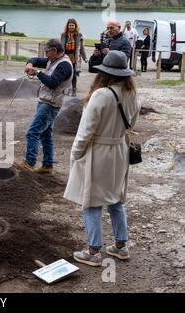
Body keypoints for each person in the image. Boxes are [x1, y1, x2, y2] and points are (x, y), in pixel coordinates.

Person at [64, 51, 141, 266]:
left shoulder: (101, 95)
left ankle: (93, 252)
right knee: (115, 199)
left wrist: (76, 154)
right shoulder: (132, 93)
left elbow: (86, 131)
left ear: (104, 72)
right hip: (119, 150)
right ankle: (121, 246)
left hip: (99, 153)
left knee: (91, 202)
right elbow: (132, 125)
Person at [20, 39, 73, 175]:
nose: (45, 54)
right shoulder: (53, 60)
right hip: (46, 101)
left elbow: (53, 82)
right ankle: (47, 166)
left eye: (47, 51)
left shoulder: (64, 65)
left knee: (32, 132)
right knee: (46, 135)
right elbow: (35, 59)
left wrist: (37, 73)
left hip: (50, 103)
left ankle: (29, 163)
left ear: (54, 50)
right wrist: (30, 64)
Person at [60, 18, 88, 96]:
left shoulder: (79, 35)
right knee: (65, 73)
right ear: (67, 26)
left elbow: (81, 48)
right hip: (65, 56)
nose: (71, 27)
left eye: (73, 25)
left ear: (75, 26)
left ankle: (74, 89)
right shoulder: (63, 35)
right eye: (70, 25)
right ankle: (64, 89)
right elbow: (61, 46)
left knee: (73, 73)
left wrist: (85, 57)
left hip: (74, 57)